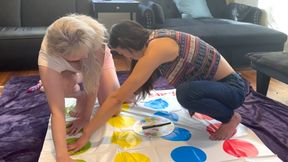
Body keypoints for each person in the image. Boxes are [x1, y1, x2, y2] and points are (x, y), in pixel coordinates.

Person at [68, 21, 247, 152]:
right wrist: (130, 95)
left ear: (127, 46)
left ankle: (230, 118)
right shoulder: (153, 41)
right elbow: (140, 81)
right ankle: (212, 107)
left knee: (185, 94)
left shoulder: (158, 47)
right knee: (187, 94)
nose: (125, 58)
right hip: (216, 88)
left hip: (233, 89)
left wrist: (87, 134)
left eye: (121, 53)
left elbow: (116, 97)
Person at [38, 14, 120, 162]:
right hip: (65, 65)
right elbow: (57, 111)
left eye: (84, 55)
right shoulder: (48, 56)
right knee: (62, 86)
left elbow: (92, 84)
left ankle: (81, 84)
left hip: (94, 55)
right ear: (59, 54)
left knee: (113, 109)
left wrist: (85, 118)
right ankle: (78, 95)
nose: (83, 59)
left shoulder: (95, 40)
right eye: (78, 58)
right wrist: (62, 155)